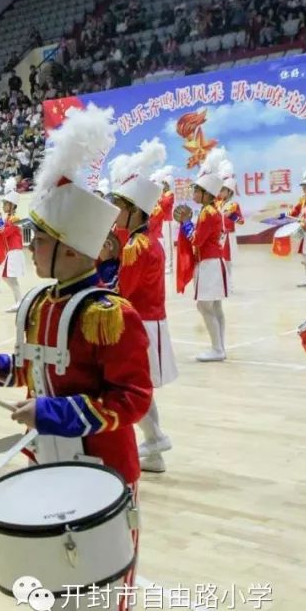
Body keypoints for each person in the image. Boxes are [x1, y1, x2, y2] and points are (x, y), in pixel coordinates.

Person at [0, 104, 151, 611]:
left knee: (101, 609)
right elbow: (40, 363)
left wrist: (53, 413)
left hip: (101, 473)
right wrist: (3, 369)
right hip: (46, 465)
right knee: (53, 599)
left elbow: (132, 400)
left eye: (41, 238)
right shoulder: (38, 301)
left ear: (72, 248)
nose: (30, 246)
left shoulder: (111, 313)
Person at [110, 139, 178, 474]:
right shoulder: (142, 241)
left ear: (136, 211)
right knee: (142, 387)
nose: (116, 212)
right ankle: (155, 450)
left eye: (120, 207)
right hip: (150, 320)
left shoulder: (137, 246)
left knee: (136, 387)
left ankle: (156, 438)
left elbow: (125, 288)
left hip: (142, 322)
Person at [177, 149, 229, 361]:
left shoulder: (208, 212)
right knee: (215, 306)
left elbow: (196, 240)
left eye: (197, 191)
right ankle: (219, 347)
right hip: (213, 262)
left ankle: (217, 349)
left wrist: (186, 223)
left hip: (209, 263)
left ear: (207, 193)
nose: (194, 194)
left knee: (204, 305)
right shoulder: (210, 210)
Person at [0, 177, 25, 312]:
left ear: (12, 205)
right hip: (11, 251)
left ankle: (20, 301)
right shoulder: (8, 218)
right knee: (8, 277)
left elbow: (4, 233)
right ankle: (19, 301)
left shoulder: (15, 219)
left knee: (9, 277)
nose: (3, 207)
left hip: (15, 250)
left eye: (5, 204)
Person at [217, 167, 243, 288]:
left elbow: (241, 221)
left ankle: (229, 284)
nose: (220, 193)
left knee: (227, 261)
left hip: (229, 237)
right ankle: (223, 282)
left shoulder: (234, 204)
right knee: (219, 260)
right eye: (220, 190)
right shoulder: (218, 203)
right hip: (219, 236)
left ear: (230, 192)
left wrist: (232, 216)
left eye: (223, 191)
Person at [285, 169, 306, 286]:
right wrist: (287, 214)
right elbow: (294, 211)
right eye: (304, 187)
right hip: (304, 230)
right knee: (305, 256)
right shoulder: (302, 199)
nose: (304, 189)